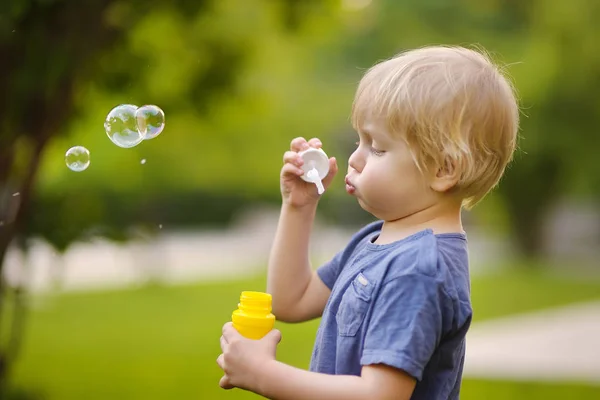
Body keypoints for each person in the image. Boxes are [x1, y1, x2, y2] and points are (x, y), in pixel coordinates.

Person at [217, 45, 519, 399]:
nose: (355, 160)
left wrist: (264, 374)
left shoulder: (418, 270)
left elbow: (380, 395)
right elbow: (291, 301)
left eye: (376, 147)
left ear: (443, 169)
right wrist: (298, 208)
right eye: (360, 140)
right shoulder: (377, 239)